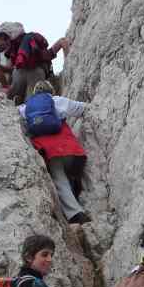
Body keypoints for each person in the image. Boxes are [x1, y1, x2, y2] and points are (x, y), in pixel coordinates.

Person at [19, 80, 91, 225]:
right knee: (73, 176)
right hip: (68, 147)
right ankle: (82, 200)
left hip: (49, 150)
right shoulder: (57, 101)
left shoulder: (25, 108)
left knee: (60, 180)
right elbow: (82, 108)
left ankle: (75, 213)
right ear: (51, 91)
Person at [7, 32, 69, 104]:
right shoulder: (44, 54)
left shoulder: (19, 54)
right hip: (37, 73)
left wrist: (7, 83)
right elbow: (62, 41)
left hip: (18, 71)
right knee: (31, 101)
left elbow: (10, 67)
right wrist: (68, 63)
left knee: (9, 98)